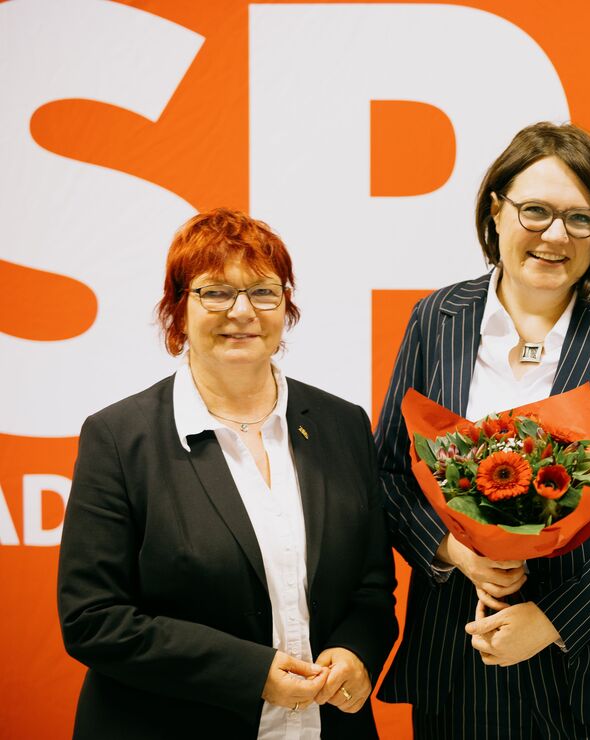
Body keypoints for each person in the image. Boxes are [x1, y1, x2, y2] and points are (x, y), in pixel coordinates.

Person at [375, 122, 590, 738]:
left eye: (581, 219)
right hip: (464, 660)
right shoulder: (436, 319)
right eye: (536, 211)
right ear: (496, 211)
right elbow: (391, 474)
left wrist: (554, 618)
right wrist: (456, 553)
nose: (557, 235)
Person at [57, 208, 398, 739]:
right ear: (178, 309)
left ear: (286, 307)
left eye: (264, 292)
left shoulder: (342, 424)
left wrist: (356, 652)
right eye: (215, 292)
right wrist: (252, 674)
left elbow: (372, 589)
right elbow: (94, 619)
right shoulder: (120, 438)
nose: (243, 311)